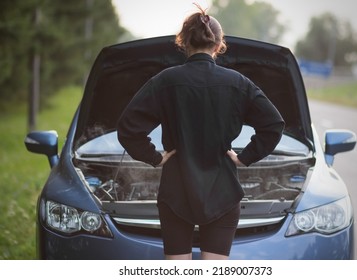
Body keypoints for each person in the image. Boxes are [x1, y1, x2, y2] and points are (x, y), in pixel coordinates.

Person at [117, 4, 285, 260]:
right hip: (223, 193)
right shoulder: (239, 84)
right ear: (218, 45)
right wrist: (245, 157)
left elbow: (128, 127)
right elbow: (273, 124)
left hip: (176, 192)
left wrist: (154, 157)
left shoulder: (164, 81)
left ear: (183, 42)